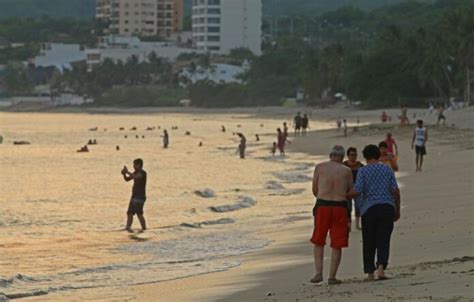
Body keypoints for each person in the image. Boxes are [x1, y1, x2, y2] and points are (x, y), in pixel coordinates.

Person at [348, 145, 401, 281]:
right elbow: (395, 190)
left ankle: (370, 273)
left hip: (369, 209)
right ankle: (381, 268)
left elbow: (358, 190)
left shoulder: (363, 171)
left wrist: (344, 195)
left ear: (365, 157)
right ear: (378, 155)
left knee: (369, 240)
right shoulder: (387, 169)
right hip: (387, 206)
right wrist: (397, 209)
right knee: (384, 239)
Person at [310, 145, 353, 285]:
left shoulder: (320, 167)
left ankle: (318, 273)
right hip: (340, 207)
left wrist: (324, 196)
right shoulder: (347, 171)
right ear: (342, 157)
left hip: (323, 205)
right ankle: (332, 277)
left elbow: (315, 189)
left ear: (330, 155)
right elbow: (349, 191)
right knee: (337, 243)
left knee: (319, 240)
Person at [122, 159, 147, 232]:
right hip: (134, 196)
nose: (133, 166)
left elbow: (136, 177)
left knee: (139, 214)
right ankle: (128, 228)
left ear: (139, 165)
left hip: (140, 197)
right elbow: (127, 179)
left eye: (135, 165)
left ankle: (144, 228)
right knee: (129, 213)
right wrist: (124, 174)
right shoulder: (135, 172)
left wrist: (127, 172)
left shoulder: (143, 173)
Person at [343, 147, 364, 230]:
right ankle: (349, 226)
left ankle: (357, 225)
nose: (354, 157)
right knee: (348, 208)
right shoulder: (344, 165)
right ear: (348, 155)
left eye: (355, 155)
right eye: (352, 155)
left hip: (357, 189)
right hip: (347, 189)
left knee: (358, 206)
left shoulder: (360, 165)